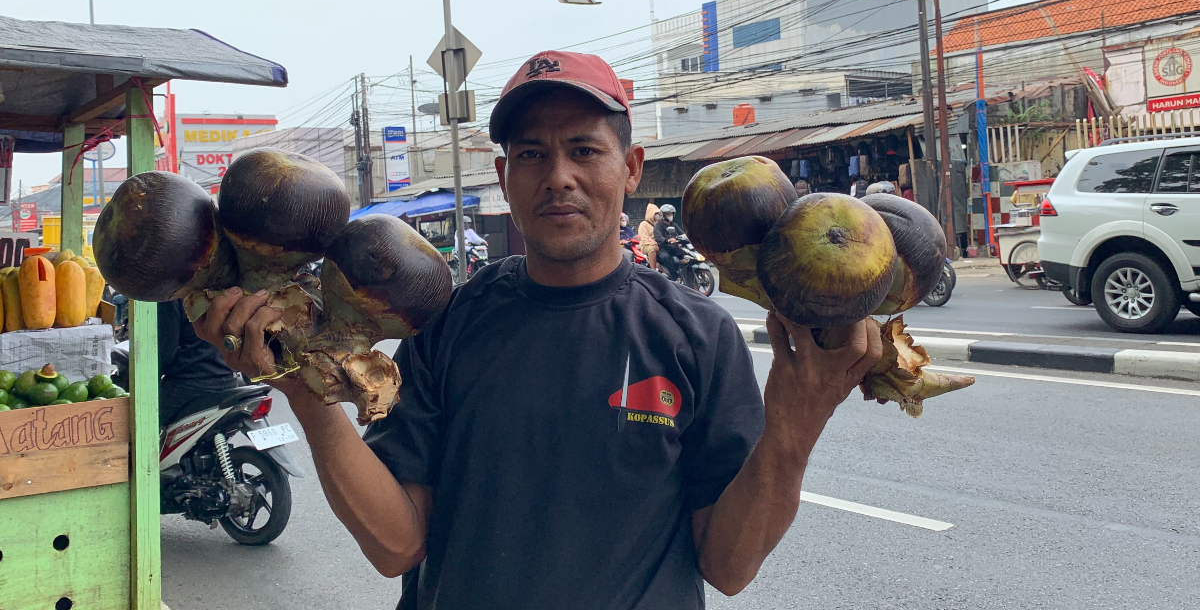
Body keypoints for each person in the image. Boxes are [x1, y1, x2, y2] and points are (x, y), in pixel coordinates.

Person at [194, 50, 882, 610]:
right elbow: (396, 546)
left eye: (585, 151)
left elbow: (728, 568)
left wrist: (796, 423)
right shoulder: (449, 321)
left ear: (631, 169)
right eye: (532, 155)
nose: (559, 177)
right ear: (504, 175)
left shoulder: (696, 336)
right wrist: (307, 396)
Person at [158, 299, 239, 427]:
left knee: (141, 421)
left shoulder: (172, 296)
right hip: (229, 380)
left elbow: (165, 350)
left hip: (187, 385)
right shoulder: (221, 289)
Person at [653, 203, 684, 280]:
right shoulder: (658, 225)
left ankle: (685, 274)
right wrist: (667, 240)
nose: (671, 216)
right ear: (663, 215)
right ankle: (675, 277)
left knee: (686, 255)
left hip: (675, 247)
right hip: (664, 248)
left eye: (672, 214)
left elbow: (681, 233)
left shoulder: (673, 224)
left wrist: (686, 237)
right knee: (665, 257)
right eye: (668, 214)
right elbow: (658, 237)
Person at [638, 203, 660, 271]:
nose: (658, 216)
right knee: (652, 249)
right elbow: (644, 237)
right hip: (646, 245)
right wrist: (654, 244)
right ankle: (653, 269)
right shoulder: (643, 224)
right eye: (656, 214)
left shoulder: (658, 224)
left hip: (658, 244)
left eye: (658, 214)